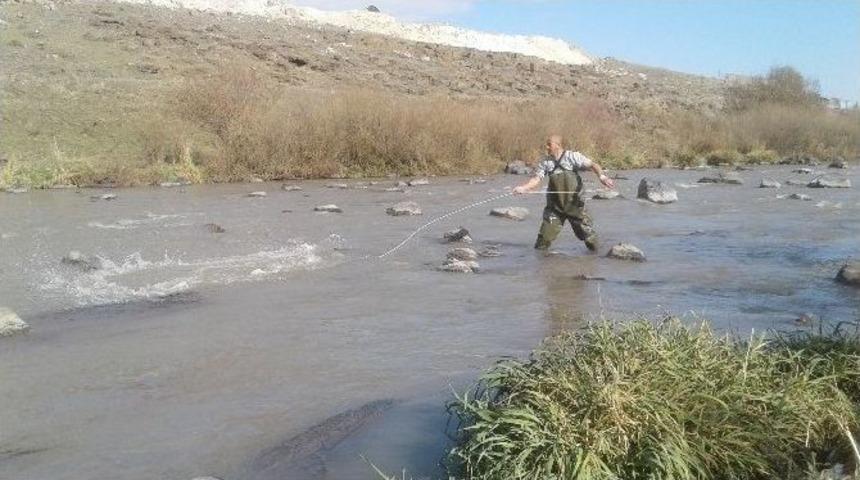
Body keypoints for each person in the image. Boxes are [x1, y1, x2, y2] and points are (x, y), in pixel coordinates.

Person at [513, 135, 615, 251]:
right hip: (555, 208)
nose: (546, 147)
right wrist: (523, 188)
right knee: (543, 241)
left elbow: (593, 165)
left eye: (549, 144)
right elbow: (536, 179)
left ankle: (598, 258)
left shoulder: (572, 156)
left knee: (589, 238)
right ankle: (541, 265)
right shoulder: (545, 162)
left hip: (575, 205)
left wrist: (602, 177)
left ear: (558, 145)